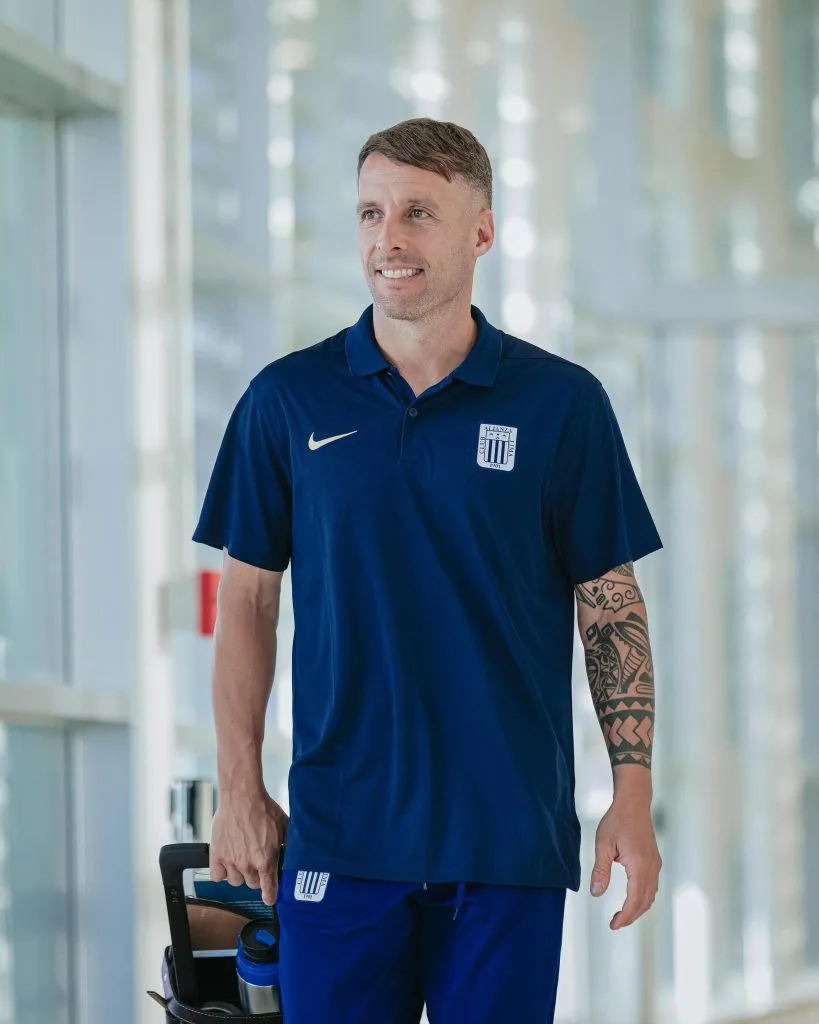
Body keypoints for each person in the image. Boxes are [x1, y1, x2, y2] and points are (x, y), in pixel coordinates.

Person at [193, 117, 664, 1024]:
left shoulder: (562, 404)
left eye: (417, 213)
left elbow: (610, 609)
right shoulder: (285, 399)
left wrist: (631, 798)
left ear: (481, 231)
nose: (388, 239)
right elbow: (248, 601)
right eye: (370, 213)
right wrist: (239, 790)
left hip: (506, 842)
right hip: (339, 835)